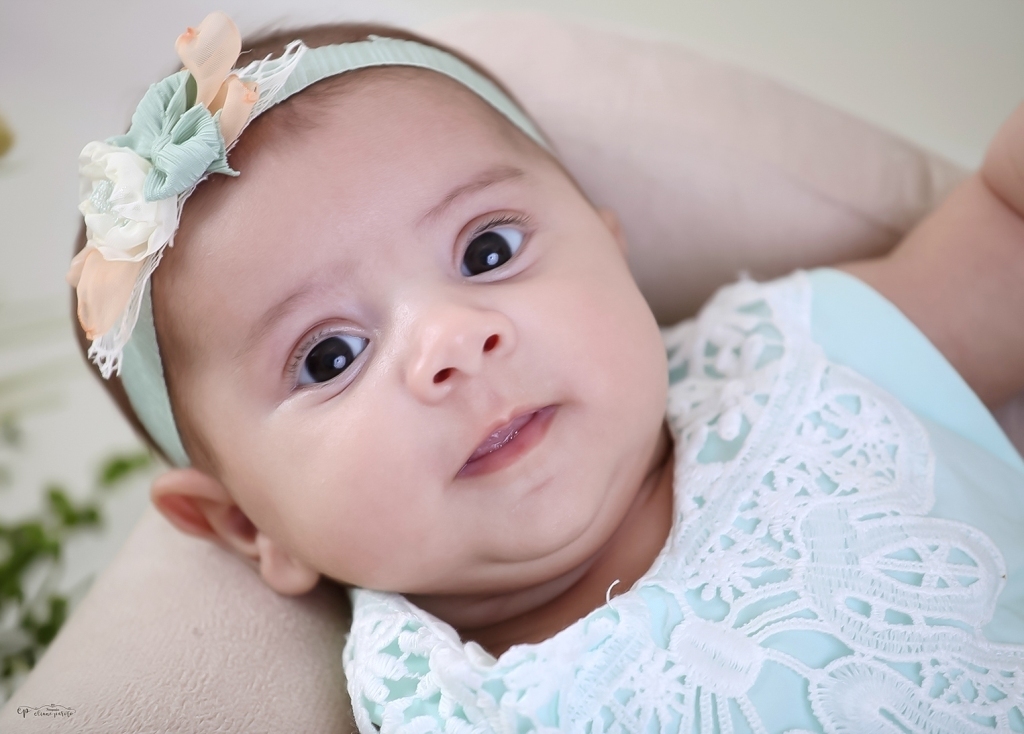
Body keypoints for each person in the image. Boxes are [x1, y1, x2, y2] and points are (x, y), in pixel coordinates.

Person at [69, 12, 1024, 732]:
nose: (453, 340)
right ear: (249, 526)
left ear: (613, 252)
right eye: (330, 356)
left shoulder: (790, 356)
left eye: (487, 251)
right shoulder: (439, 704)